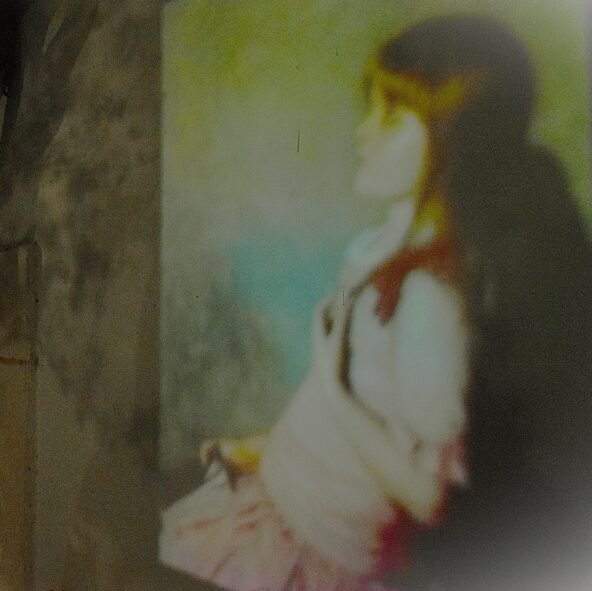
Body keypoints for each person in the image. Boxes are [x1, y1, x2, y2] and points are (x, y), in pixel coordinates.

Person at [159, 14, 592, 591]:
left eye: (389, 116)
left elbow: (429, 496)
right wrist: (265, 451)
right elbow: (364, 423)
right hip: (278, 503)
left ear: (452, 139)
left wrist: (335, 390)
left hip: (308, 554)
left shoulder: (428, 301)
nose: (363, 132)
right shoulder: (385, 256)